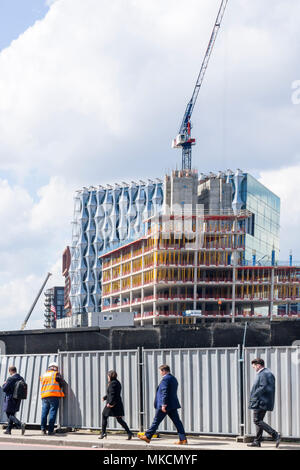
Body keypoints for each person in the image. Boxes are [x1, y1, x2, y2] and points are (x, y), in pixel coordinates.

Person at [138, 364, 187, 445]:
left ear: (164, 371)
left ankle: (148, 436)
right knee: (177, 422)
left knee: (156, 421)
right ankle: (183, 439)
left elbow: (165, 392)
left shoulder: (165, 379)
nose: (160, 373)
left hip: (165, 405)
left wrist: (164, 404)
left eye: (161, 371)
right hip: (172, 404)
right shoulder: (173, 378)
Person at [248, 358, 281, 448]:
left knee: (256, 420)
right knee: (259, 420)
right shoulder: (267, 373)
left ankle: (275, 434)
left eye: (254, 366)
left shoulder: (264, 374)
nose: (254, 368)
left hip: (260, 401)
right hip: (263, 401)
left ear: (258, 365)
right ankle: (257, 441)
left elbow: (263, 387)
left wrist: (254, 396)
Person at [99, 370, 133, 440]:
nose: (107, 377)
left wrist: (110, 403)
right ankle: (129, 432)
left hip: (113, 404)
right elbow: (113, 393)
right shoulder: (117, 382)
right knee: (119, 419)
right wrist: (105, 397)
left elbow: (112, 394)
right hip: (117, 403)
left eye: (108, 376)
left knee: (104, 415)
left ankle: (103, 433)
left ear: (110, 376)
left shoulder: (112, 383)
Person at [40, 362, 65, 435]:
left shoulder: (43, 375)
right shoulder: (56, 374)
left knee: (44, 413)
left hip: (44, 396)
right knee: (52, 413)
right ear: (55, 367)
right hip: (54, 395)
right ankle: (50, 431)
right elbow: (62, 383)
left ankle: (43, 429)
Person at [2, 366, 26, 435]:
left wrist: (4, 384)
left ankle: (20, 424)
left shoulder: (10, 379)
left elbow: (4, 389)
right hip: (18, 399)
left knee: (8, 413)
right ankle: (8, 430)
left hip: (10, 398)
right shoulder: (21, 378)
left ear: (10, 371)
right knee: (12, 414)